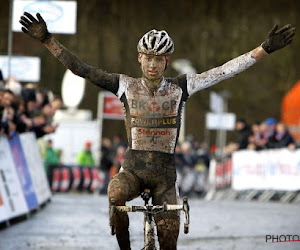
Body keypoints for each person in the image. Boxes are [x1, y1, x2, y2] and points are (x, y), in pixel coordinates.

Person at [19, 12, 295, 249]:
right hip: (133, 171)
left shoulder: (181, 86)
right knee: (115, 195)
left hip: (165, 177)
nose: (152, 64)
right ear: (139, 58)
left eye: (159, 59)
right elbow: (82, 69)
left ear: (167, 61)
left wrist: (264, 49)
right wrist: (48, 41)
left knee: (168, 240)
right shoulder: (124, 85)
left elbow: (224, 71)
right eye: (148, 58)